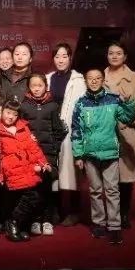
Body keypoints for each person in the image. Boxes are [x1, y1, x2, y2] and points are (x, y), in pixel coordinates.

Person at [71, 68, 135, 245]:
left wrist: (129, 103)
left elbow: (128, 118)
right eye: (90, 78)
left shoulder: (113, 100)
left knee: (112, 190)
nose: (94, 81)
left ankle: (115, 226)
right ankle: (99, 223)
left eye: (97, 78)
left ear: (103, 80)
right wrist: (78, 155)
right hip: (89, 154)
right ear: (86, 81)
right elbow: (76, 130)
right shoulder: (81, 103)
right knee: (95, 190)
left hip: (110, 153)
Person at [104, 42, 135, 229]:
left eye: (118, 53)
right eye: (111, 53)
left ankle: (123, 214)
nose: (114, 56)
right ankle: (110, 214)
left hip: (127, 133)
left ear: (125, 57)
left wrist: (128, 121)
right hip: (105, 134)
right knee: (108, 177)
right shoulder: (100, 77)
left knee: (125, 178)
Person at [0, 100, 50, 242]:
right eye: (8, 112)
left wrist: (43, 162)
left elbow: (33, 148)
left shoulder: (23, 127)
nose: (10, 117)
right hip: (12, 171)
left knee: (33, 197)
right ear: (2, 112)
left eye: (14, 114)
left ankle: (15, 224)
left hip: (27, 168)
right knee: (20, 199)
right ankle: (13, 224)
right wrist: (0, 176)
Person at [20, 74, 67, 236]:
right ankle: (35, 219)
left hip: (48, 154)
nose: (37, 89)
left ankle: (47, 220)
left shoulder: (53, 106)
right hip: (30, 155)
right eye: (33, 86)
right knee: (33, 189)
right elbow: (21, 130)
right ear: (29, 87)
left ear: (45, 86)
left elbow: (59, 130)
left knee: (47, 187)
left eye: (40, 85)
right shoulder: (24, 106)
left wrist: (54, 148)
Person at [46, 43, 87, 227]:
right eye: (57, 56)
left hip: (71, 130)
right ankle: (56, 210)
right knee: (53, 169)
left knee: (72, 170)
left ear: (70, 58)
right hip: (51, 130)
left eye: (64, 56)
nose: (60, 60)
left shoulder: (79, 80)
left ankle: (74, 211)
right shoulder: (48, 78)